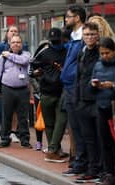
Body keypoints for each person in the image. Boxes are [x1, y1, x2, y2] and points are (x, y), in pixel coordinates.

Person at [31, 27, 67, 162]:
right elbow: (31, 69)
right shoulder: (44, 52)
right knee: (49, 123)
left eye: (57, 41)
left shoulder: (67, 51)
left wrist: (62, 69)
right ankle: (56, 150)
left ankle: (52, 150)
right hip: (46, 92)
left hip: (62, 92)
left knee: (61, 121)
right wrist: (38, 76)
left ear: (62, 40)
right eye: (53, 41)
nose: (55, 43)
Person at [60, 5, 87, 176]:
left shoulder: (83, 37)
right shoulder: (72, 37)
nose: (66, 19)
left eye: (68, 16)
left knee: (81, 129)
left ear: (77, 18)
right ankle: (78, 162)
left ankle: (83, 163)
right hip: (69, 87)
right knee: (75, 129)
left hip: (77, 88)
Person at [72, 22, 101, 183]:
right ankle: (92, 169)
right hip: (82, 102)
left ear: (97, 35)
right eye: (86, 34)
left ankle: (102, 169)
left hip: (97, 101)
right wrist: (76, 99)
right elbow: (78, 77)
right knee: (87, 138)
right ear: (82, 36)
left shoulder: (101, 52)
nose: (89, 37)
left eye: (92, 34)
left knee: (100, 138)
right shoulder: (82, 53)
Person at [0, 35, 32, 148]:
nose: (16, 44)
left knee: (23, 117)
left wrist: (10, 55)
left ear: (21, 44)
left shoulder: (26, 55)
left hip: (23, 90)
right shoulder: (2, 58)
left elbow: (24, 61)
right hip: (7, 89)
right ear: (10, 44)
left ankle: (25, 140)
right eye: (13, 42)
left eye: (18, 42)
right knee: (6, 115)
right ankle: (5, 139)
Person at [91, 37, 115, 185]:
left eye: (107, 53)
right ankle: (109, 173)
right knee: (105, 142)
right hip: (101, 106)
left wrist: (112, 86)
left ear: (114, 51)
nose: (104, 56)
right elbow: (91, 87)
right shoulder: (97, 65)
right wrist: (94, 85)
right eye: (101, 53)